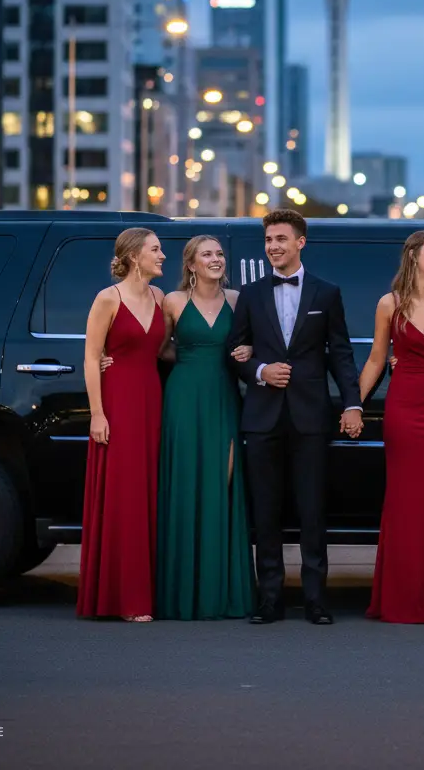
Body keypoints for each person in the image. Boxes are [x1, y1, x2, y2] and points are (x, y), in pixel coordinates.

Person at [228, 209, 363, 626]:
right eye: (268, 240)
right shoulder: (249, 295)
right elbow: (234, 351)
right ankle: (269, 598)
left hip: (311, 417)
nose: (273, 247)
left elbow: (340, 353)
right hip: (263, 416)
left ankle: (315, 599)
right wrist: (259, 372)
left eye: (281, 239)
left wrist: (353, 403)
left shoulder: (327, 293)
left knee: (312, 510)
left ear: (300, 242)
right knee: (265, 512)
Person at [361, 231, 424, 623]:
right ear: (414, 255)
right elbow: (374, 359)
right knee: (404, 502)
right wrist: (354, 404)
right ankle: (402, 592)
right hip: (403, 407)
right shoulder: (390, 304)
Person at [153, 236, 254, 620]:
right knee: (186, 485)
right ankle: (183, 593)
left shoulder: (237, 300)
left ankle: (220, 588)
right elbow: (159, 348)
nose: (216, 259)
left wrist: (246, 353)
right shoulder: (173, 302)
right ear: (191, 264)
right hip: (183, 398)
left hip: (224, 397)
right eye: (207, 254)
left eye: (219, 254)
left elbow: (250, 344)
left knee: (223, 484)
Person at [77, 228, 167, 622]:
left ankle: (145, 592)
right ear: (133, 256)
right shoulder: (106, 298)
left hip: (153, 399)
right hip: (119, 403)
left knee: (148, 495)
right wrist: (98, 413)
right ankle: (126, 599)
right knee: (125, 497)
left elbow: (167, 350)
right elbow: (90, 357)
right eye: (156, 250)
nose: (163, 256)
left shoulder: (161, 298)